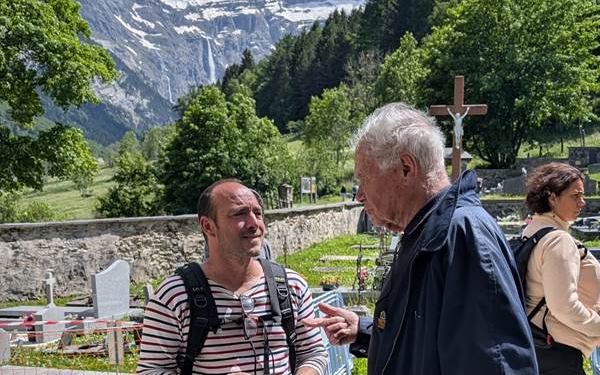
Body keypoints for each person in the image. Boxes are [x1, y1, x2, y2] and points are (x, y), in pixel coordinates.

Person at [305, 102, 538, 374]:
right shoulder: (427, 232)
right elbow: (428, 340)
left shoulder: (463, 236)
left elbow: (495, 365)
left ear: (406, 168)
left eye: (364, 178)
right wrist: (366, 331)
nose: (358, 195)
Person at [137, 179, 327, 375]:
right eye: (240, 214)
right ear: (208, 226)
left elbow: (313, 353)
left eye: (258, 213)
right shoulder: (174, 296)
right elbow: (151, 370)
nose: (255, 223)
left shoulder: (290, 286)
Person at [522, 162, 600, 374]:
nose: (582, 202)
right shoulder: (558, 241)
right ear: (552, 197)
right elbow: (564, 306)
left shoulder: (531, 232)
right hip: (560, 351)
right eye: (575, 196)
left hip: (540, 346)